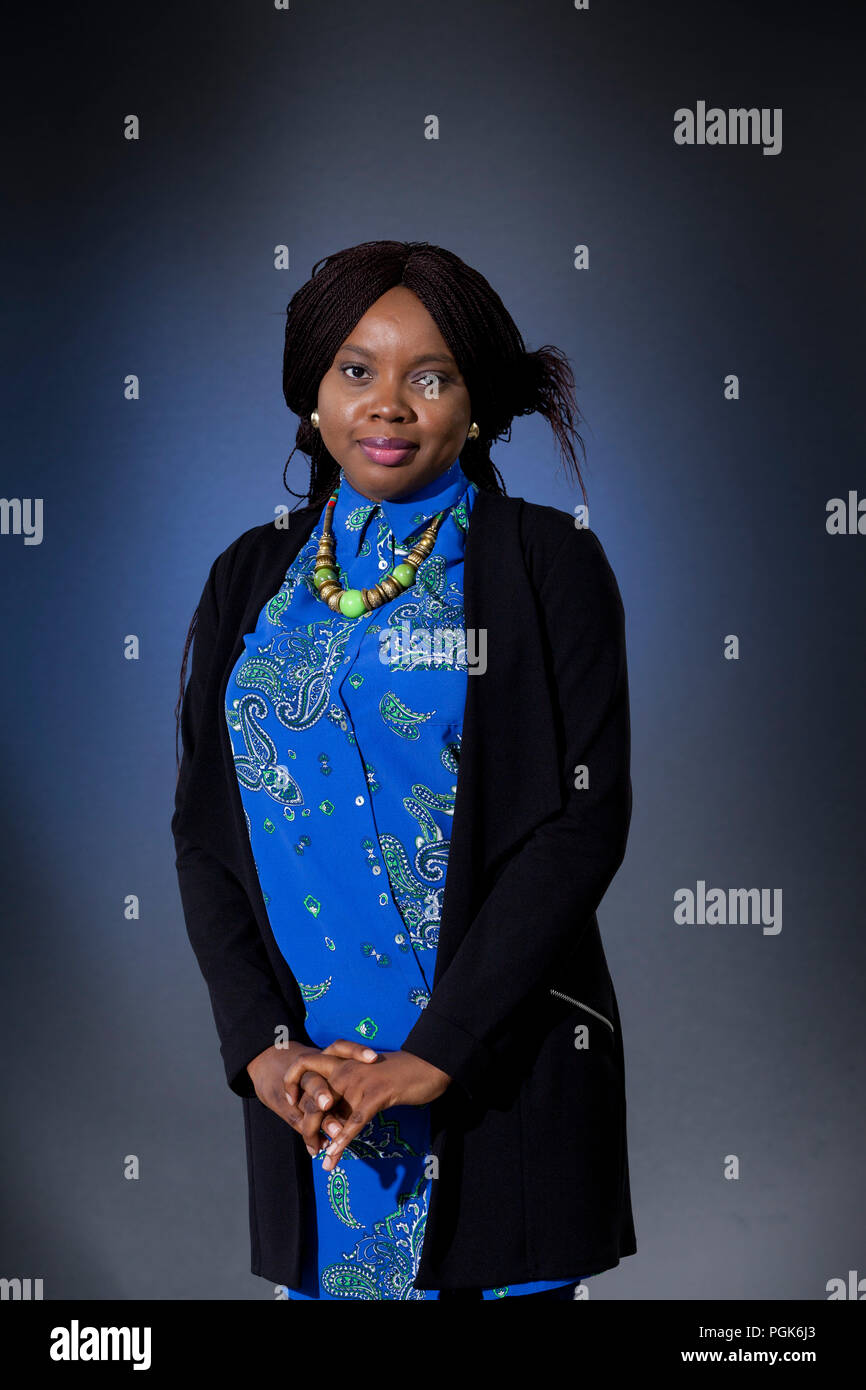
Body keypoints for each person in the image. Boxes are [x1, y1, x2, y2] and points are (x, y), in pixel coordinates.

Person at [172, 239, 636, 1300]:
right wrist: (265, 1052)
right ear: (312, 394)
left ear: (472, 402)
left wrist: (441, 1051)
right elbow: (204, 833)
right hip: (313, 1104)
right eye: (355, 370)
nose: (388, 404)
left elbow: (580, 822)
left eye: (429, 375)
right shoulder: (250, 574)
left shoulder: (544, 563)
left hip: (496, 1085)